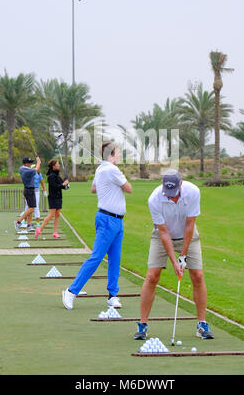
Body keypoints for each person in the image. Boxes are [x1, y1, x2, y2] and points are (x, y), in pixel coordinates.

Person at [134, 169, 214, 341]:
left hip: (188, 236)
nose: (171, 197)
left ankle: (202, 324)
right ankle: (142, 325)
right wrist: (174, 261)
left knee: (198, 276)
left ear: (181, 184)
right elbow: (163, 232)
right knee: (152, 276)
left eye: (174, 193)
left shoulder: (193, 192)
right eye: (168, 193)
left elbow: (189, 225)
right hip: (161, 236)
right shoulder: (154, 199)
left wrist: (183, 257)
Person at [62, 142, 132, 310]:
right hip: (108, 219)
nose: (120, 155)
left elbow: (94, 189)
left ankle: (112, 295)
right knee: (97, 257)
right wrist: (120, 176)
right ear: (111, 154)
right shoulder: (111, 170)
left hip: (116, 220)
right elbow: (129, 188)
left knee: (115, 259)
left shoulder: (101, 169)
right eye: (118, 153)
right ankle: (71, 291)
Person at [35, 159, 69, 239]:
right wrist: (63, 184)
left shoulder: (57, 175)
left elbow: (62, 186)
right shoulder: (51, 176)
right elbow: (55, 186)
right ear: (53, 166)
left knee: (57, 214)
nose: (59, 165)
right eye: (57, 164)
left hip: (59, 197)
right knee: (52, 214)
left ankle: (55, 232)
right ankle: (39, 229)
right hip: (53, 197)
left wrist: (66, 184)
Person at [14, 156, 41, 233]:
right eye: (29, 163)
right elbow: (36, 169)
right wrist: (38, 162)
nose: (30, 164)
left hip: (29, 189)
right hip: (29, 190)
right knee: (32, 208)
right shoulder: (24, 169)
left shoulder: (23, 168)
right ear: (26, 163)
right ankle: (18, 222)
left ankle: (28, 226)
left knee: (30, 208)